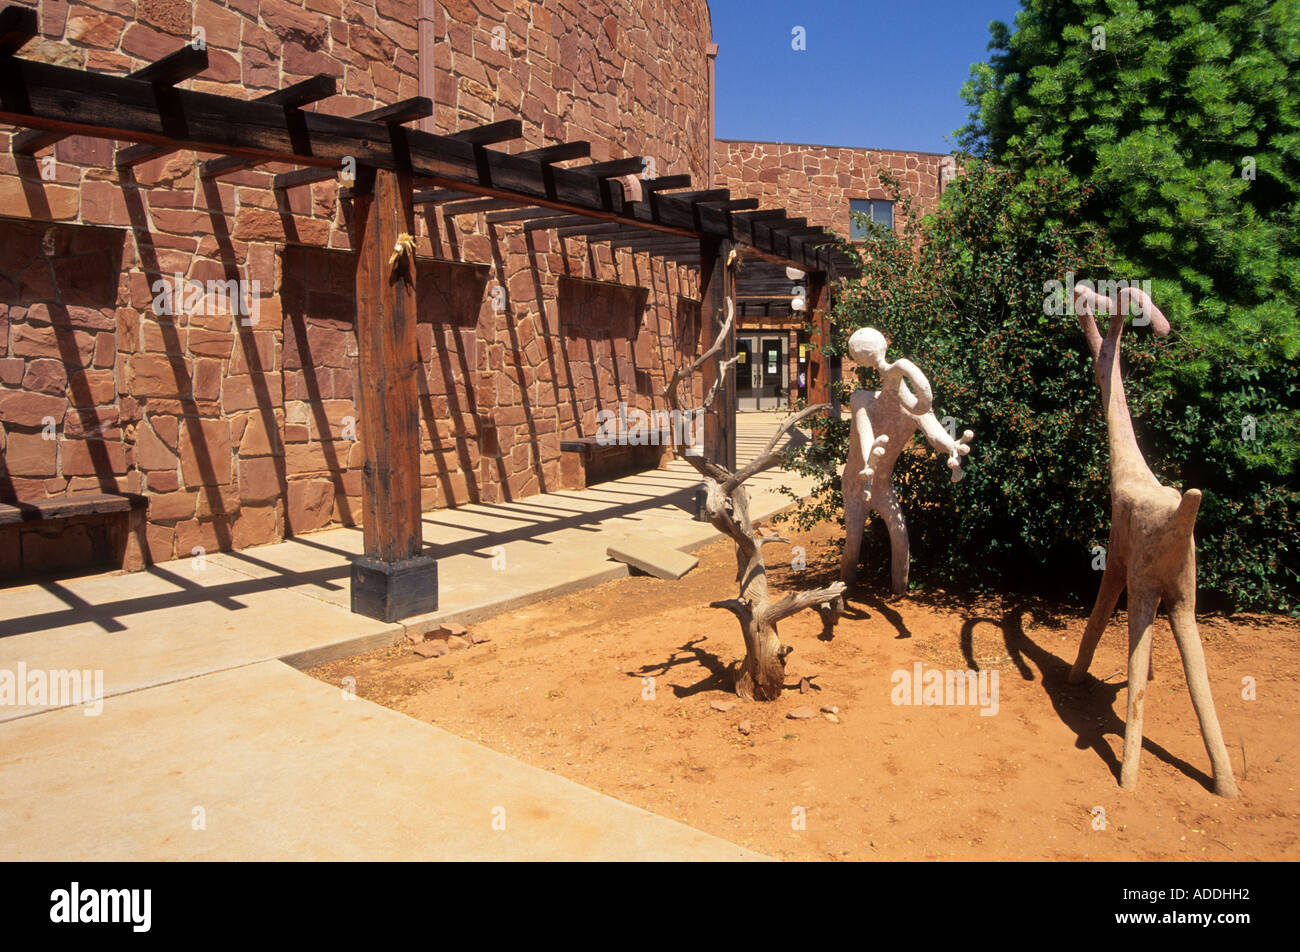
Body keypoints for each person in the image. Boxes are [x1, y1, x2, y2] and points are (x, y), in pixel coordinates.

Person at [840, 328, 973, 593]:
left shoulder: (913, 410)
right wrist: (870, 459)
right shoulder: (862, 400)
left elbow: (936, 433)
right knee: (853, 540)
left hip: (882, 486)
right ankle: (844, 588)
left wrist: (952, 448)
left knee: (900, 538)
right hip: (856, 484)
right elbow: (865, 433)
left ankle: (899, 590)